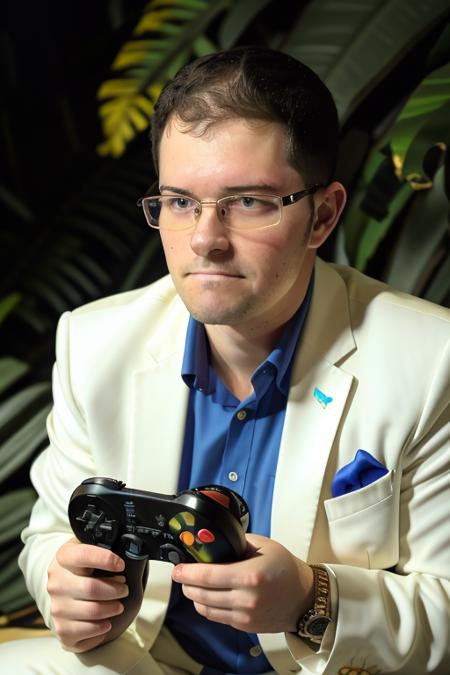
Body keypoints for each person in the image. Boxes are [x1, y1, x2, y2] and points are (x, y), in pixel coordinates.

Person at [0, 46, 449, 675]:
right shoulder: (94, 340)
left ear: (322, 215)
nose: (205, 240)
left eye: (248, 202)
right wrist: (66, 585)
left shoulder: (431, 360)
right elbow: (48, 539)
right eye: (180, 202)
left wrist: (311, 599)